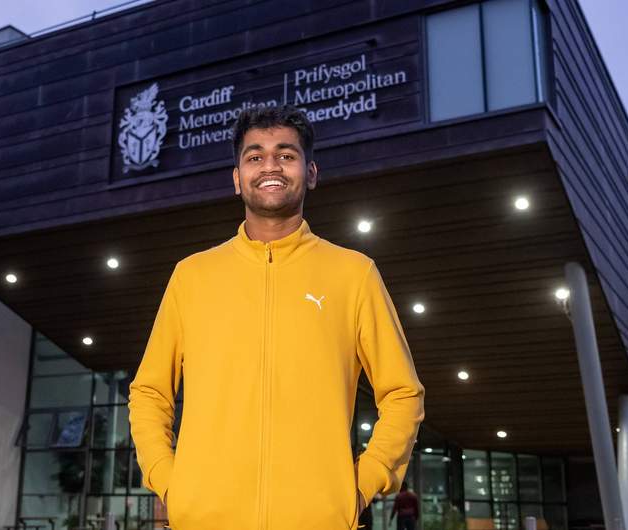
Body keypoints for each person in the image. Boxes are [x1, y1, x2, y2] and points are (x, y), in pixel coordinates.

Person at [128, 104, 425, 530]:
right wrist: (173, 483)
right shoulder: (191, 276)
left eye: (286, 155)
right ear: (237, 178)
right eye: (255, 156)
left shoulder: (354, 274)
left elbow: (403, 393)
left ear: (312, 172)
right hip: (202, 519)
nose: (271, 166)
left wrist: (360, 485)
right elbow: (149, 392)